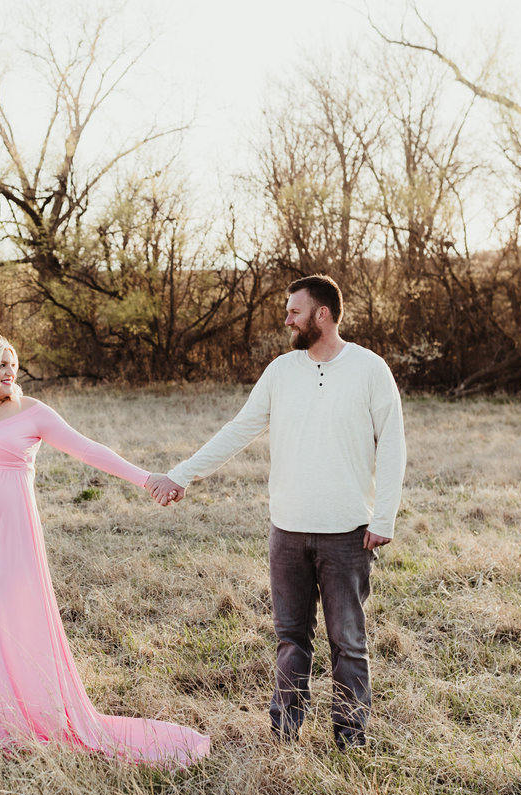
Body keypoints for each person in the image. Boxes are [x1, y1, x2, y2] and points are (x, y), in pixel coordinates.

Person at [0, 330, 209, 767]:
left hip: (9, 540)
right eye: (1, 363)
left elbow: (90, 450)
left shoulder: (31, 412)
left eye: (13, 363)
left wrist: (147, 478)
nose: (10, 371)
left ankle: (0, 729)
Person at [148, 275, 405, 749]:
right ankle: (284, 735)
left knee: (348, 641)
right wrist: (181, 474)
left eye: (294, 311)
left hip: (348, 532)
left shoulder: (370, 369)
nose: (287, 319)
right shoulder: (281, 372)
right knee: (291, 639)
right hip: (286, 531)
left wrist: (383, 518)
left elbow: (392, 446)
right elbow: (237, 431)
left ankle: (351, 740)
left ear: (321, 314)